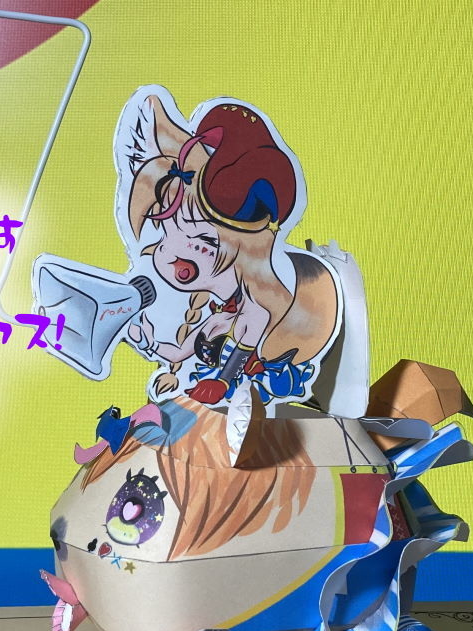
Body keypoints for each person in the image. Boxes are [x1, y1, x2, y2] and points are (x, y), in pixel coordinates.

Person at [122, 92, 340, 405]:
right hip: (209, 404)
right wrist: (147, 342)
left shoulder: (255, 313)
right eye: (169, 229)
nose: (168, 252)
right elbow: (179, 352)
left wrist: (221, 384)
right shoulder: (217, 313)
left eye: (204, 242)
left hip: (246, 408)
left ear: (247, 252)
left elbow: (233, 369)